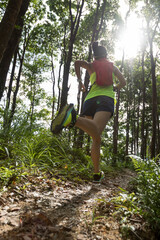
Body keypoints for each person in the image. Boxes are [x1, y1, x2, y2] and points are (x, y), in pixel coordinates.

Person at [51, 42, 126, 183]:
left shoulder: (91, 66)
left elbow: (77, 62)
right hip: (105, 99)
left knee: (95, 137)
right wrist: (115, 87)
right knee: (96, 130)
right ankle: (73, 118)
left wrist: (80, 81)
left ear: (95, 56)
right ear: (106, 55)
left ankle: (97, 173)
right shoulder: (112, 67)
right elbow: (123, 82)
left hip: (90, 100)